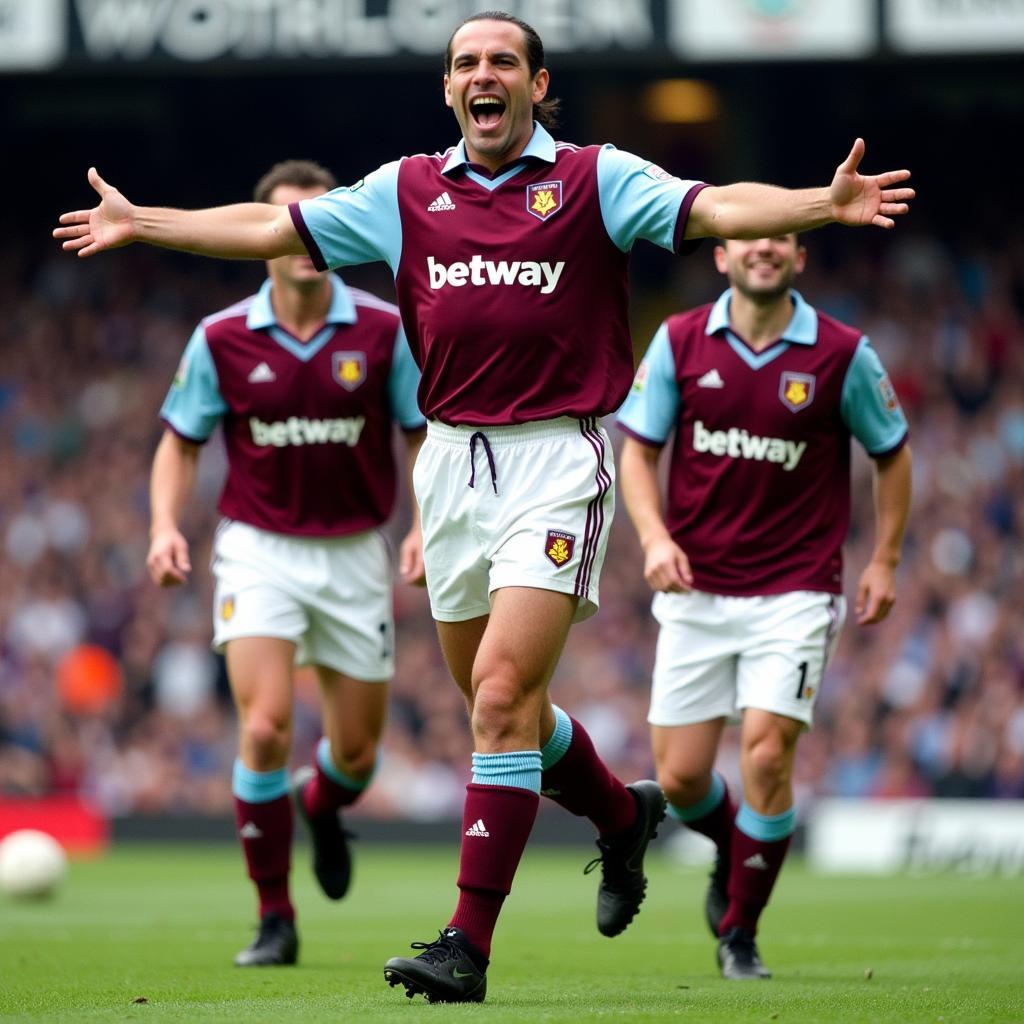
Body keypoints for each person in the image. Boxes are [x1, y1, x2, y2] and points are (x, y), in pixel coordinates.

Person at [56, 11, 913, 1002]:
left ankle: (466, 943)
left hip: (555, 456)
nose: (484, 73)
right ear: (449, 89)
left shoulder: (595, 178)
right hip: (451, 464)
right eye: (466, 62)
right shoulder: (407, 191)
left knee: (499, 697)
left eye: (503, 60)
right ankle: (620, 817)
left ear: (539, 86)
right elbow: (268, 228)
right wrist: (140, 221)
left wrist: (819, 203)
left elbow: (716, 208)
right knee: (504, 711)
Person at [144, 159, 427, 968]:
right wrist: (165, 524)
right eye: (286, 222)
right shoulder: (222, 338)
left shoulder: (384, 329)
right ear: (263, 235)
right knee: (264, 728)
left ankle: (322, 805)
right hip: (258, 550)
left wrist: (423, 527)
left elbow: (421, 437)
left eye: (318, 220)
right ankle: (275, 916)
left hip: (355, 555)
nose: (303, 237)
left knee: (357, 758)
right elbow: (178, 442)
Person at [616, 233, 912, 980]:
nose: (765, 248)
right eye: (749, 237)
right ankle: (732, 844)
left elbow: (893, 452)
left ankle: (740, 932)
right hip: (695, 587)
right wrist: (652, 538)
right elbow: (637, 452)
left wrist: (885, 557)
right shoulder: (680, 340)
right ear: (722, 256)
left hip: (797, 591)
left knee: (768, 753)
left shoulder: (844, 353)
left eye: (782, 237)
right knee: (680, 781)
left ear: (799, 258)